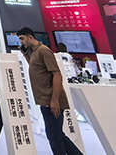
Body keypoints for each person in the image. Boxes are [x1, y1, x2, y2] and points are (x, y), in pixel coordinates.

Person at [18, 27, 83, 155]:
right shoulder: (35, 52)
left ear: (30, 37)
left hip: (51, 100)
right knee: (56, 135)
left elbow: (57, 75)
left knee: (55, 137)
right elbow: (37, 68)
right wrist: (25, 55)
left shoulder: (43, 50)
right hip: (45, 101)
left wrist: (54, 101)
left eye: (22, 38)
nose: (21, 42)